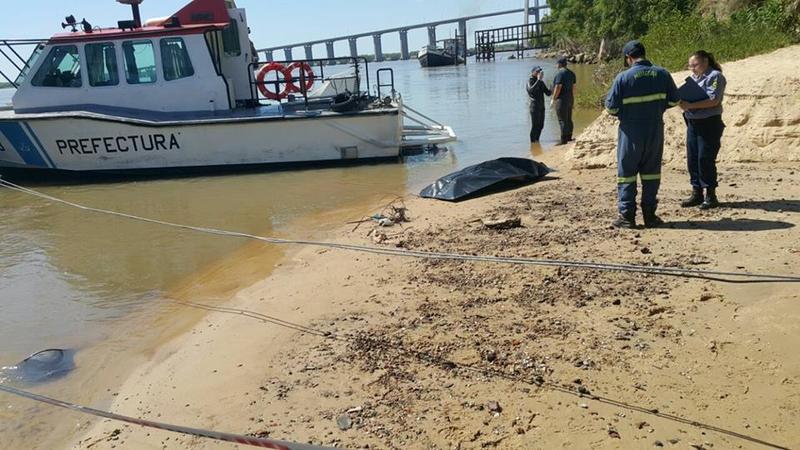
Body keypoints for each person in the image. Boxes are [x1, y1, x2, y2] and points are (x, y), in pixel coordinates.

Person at [605, 40, 680, 229]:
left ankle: (627, 217)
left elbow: (611, 107)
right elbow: (674, 100)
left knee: (626, 175)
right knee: (651, 174)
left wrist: (626, 114)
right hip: (654, 130)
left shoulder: (623, 78)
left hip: (630, 131)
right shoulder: (662, 74)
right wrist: (657, 109)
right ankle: (650, 216)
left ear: (628, 58)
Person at [679, 50, 727, 209]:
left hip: (709, 123)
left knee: (705, 158)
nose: (692, 68)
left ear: (705, 62)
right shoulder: (694, 78)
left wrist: (690, 105)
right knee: (693, 158)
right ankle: (696, 192)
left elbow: (713, 100)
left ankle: (711, 195)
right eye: (690, 66)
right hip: (693, 122)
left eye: (695, 65)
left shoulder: (715, 76)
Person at [551, 56, 576, 145]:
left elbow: (558, 87)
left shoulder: (560, 74)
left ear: (560, 64)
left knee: (562, 120)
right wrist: (572, 98)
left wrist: (553, 99)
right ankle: (569, 137)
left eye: (557, 63)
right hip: (570, 98)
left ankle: (563, 140)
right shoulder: (571, 73)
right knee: (569, 118)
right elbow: (574, 88)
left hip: (561, 99)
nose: (556, 65)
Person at [526, 66, 551, 143]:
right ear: (533, 72)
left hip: (541, 106)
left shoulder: (540, 82)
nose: (539, 73)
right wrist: (539, 80)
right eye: (537, 72)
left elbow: (548, 93)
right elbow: (531, 91)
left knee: (541, 126)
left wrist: (552, 87)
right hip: (534, 107)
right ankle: (533, 142)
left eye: (540, 72)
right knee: (535, 126)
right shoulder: (530, 81)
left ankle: (537, 141)